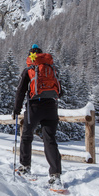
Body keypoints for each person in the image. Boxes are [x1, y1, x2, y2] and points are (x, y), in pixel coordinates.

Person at [13, 44, 63, 188]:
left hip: (34, 108)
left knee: (27, 137)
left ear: (30, 56)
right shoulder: (51, 69)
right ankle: (55, 176)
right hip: (51, 108)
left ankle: (25, 167)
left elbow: (20, 92)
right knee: (50, 140)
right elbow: (60, 91)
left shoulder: (29, 70)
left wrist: (16, 110)